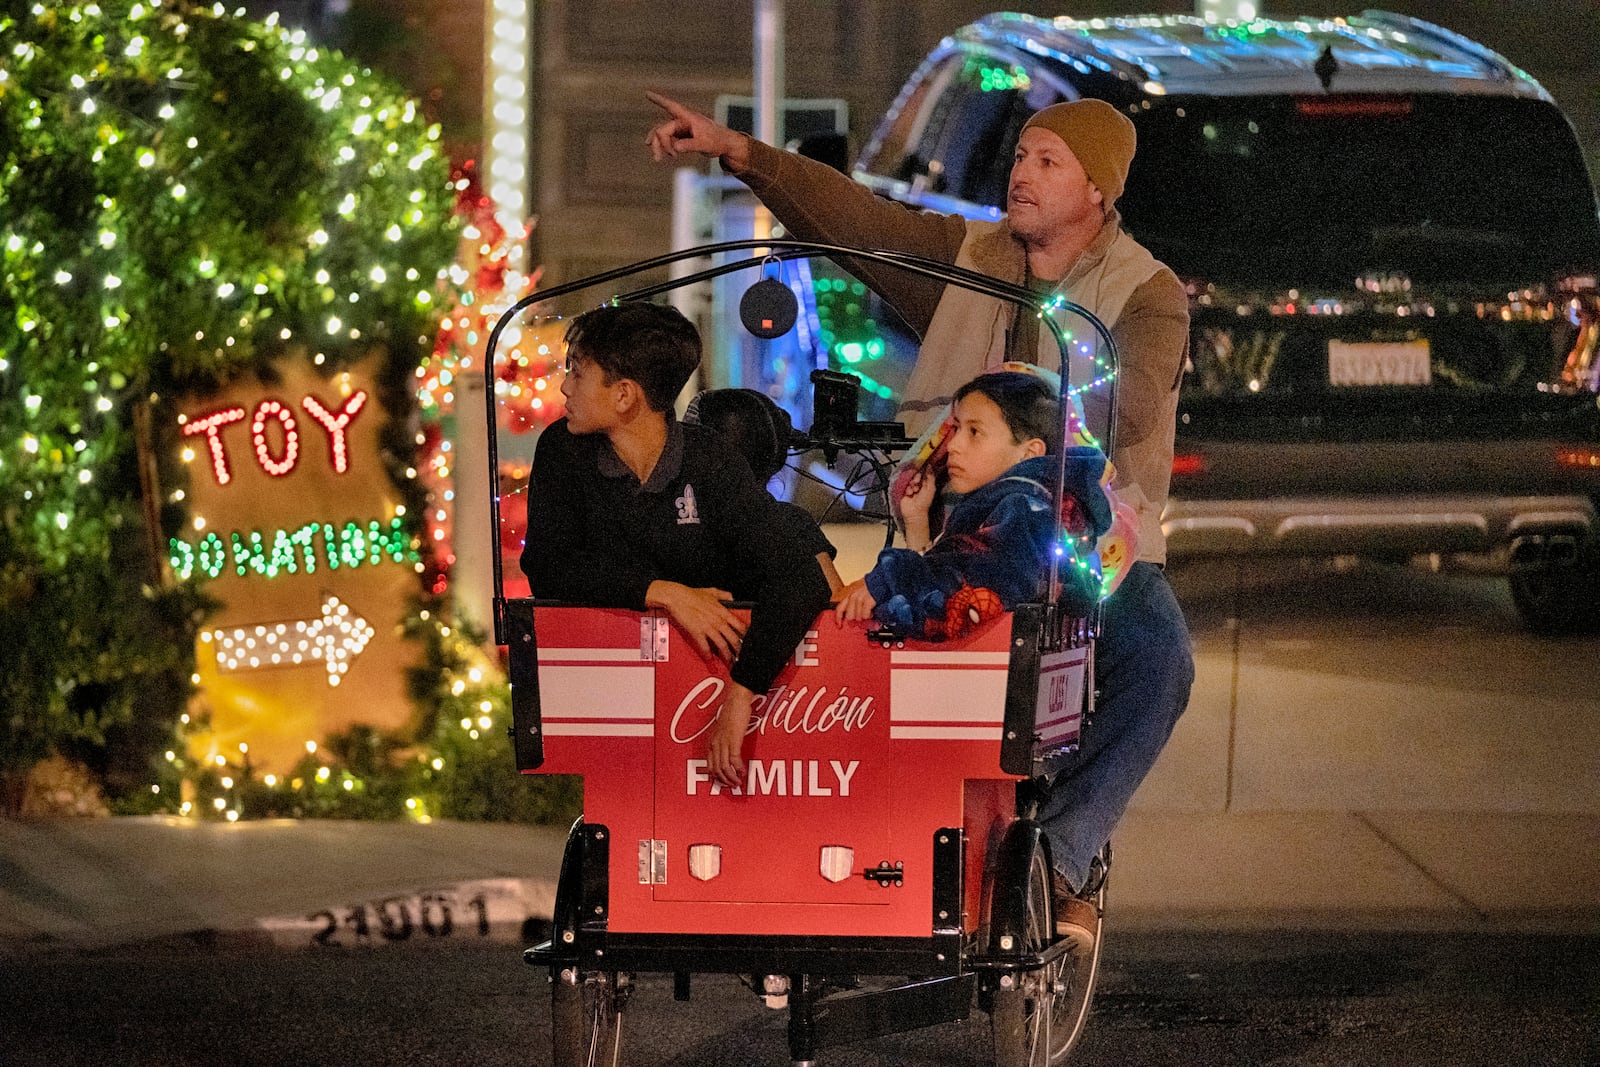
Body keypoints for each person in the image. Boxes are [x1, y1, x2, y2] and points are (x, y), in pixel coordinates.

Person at [645, 92, 1195, 945]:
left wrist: (1042, 426)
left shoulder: (1145, 292)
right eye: (1020, 156)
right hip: (963, 537)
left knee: (1161, 662)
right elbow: (858, 220)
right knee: (861, 638)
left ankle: (1066, 849)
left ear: (1098, 192)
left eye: (1049, 162)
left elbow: (1139, 401)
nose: (1022, 174)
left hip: (1091, 545)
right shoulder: (967, 256)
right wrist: (743, 152)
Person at [522, 302, 834, 788]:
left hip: (717, 696)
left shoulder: (711, 460)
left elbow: (799, 576)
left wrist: (741, 693)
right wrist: (665, 592)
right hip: (616, 702)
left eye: (577, 373)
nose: (564, 386)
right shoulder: (563, 450)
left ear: (625, 395)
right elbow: (548, 565)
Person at [834, 370, 1110, 640]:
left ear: (1029, 453)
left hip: (996, 677)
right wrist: (917, 520)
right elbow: (958, 569)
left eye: (975, 431)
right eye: (956, 430)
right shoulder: (1039, 504)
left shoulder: (1023, 507)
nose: (953, 445)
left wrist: (889, 578)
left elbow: (976, 577)